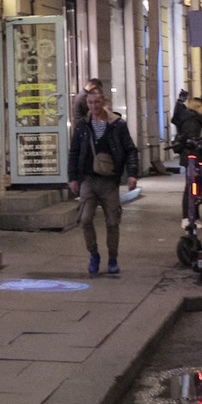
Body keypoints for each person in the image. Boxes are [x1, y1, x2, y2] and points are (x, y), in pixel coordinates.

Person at [69, 89, 139, 277]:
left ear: (104, 102)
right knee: (85, 219)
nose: (94, 107)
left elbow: (130, 150)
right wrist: (73, 178)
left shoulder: (117, 125)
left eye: (97, 103)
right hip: (89, 180)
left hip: (109, 181)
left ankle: (113, 258)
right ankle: (94, 255)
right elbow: (74, 152)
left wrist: (132, 174)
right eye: (90, 103)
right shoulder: (83, 125)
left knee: (112, 221)